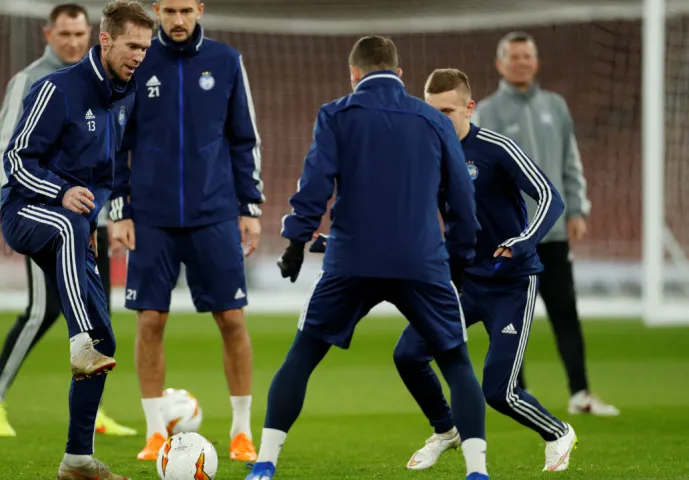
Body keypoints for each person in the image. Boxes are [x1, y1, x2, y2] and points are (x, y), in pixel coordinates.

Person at [244, 36, 488, 480]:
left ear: (353, 75)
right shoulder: (432, 121)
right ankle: (477, 471)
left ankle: (264, 463)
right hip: (422, 262)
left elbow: (315, 184)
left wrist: (296, 243)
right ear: (399, 75)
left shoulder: (336, 114)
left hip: (352, 260)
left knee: (302, 357)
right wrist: (457, 261)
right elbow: (462, 200)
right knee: (456, 362)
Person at [0, 1, 154, 477]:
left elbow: (113, 169)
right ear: (104, 40)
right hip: (25, 211)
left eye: (146, 48)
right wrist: (63, 193)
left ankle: (77, 459)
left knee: (106, 337)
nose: (140, 57)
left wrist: (106, 211)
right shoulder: (56, 89)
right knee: (69, 227)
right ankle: (77, 343)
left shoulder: (128, 96)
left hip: (74, 223)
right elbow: (17, 161)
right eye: (132, 46)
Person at [395, 68, 577, 473]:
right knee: (408, 354)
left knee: (500, 392)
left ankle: (557, 432)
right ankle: (446, 431)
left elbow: (550, 196)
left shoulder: (496, 149)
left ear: (469, 108)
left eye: (447, 111)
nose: (438, 120)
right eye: (431, 111)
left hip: (511, 283)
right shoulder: (425, 154)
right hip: (460, 283)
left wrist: (524, 240)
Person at [109, 0, 263, 462]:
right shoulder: (138, 61)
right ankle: (155, 433)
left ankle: (241, 431)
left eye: (186, 10)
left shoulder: (226, 61)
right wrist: (119, 208)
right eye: (169, 10)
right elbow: (118, 141)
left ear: (201, 9)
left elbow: (244, 138)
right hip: (151, 216)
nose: (178, 20)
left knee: (232, 320)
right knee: (150, 321)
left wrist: (249, 206)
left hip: (214, 212)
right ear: (156, 10)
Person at [472, 31, 618, 416]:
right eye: (514, 56)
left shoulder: (556, 106)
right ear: (500, 64)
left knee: (565, 312)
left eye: (527, 56)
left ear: (536, 62)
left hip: (550, 234)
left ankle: (580, 393)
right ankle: (514, 391)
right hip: (510, 237)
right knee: (508, 315)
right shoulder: (486, 112)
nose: (521, 62)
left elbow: (571, 161)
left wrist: (577, 209)